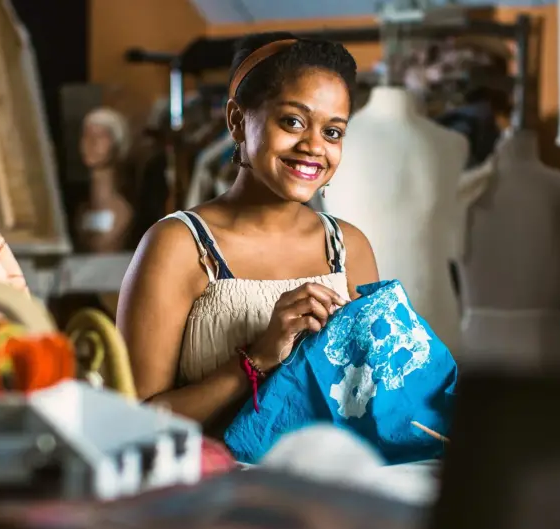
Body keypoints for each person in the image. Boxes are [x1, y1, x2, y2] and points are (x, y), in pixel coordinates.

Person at [116, 33, 379, 435]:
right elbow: (131, 424)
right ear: (237, 120)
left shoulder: (348, 248)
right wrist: (257, 357)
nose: (313, 146)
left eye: (333, 132)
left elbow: (373, 399)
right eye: (293, 121)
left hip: (330, 485)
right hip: (213, 491)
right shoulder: (178, 246)